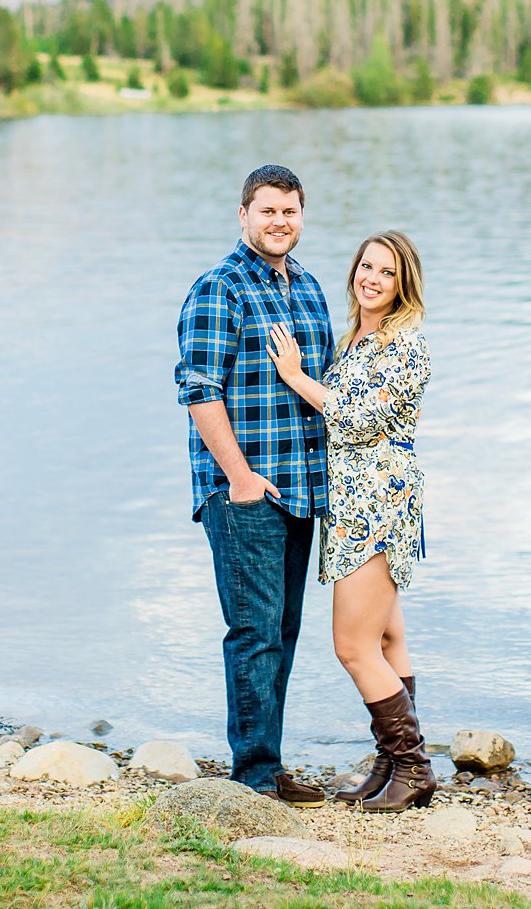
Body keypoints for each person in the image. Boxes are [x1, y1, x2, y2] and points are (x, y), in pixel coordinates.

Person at [174, 164, 336, 805]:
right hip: (245, 494)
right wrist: (238, 477)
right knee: (254, 633)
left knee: (283, 632)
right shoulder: (220, 288)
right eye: (267, 211)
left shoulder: (309, 287)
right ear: (243, 215)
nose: (279, 222)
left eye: (289, 211)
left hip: (302, 491)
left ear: (301, 216)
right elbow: (197, 389)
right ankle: (254, 779)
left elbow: (323, 384)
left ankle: (265, 765)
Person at [266, 230, 434, 811]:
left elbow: (360, 420)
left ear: (403, 284)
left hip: (377, 508)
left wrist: (295, 377)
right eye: (366, 266)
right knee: (388, 637)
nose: (372, 278)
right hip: (354, 504)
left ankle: (413, 766)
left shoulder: (406, 346)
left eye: (386, 272)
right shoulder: (359, 338)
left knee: (352, 645)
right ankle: (390, 767)